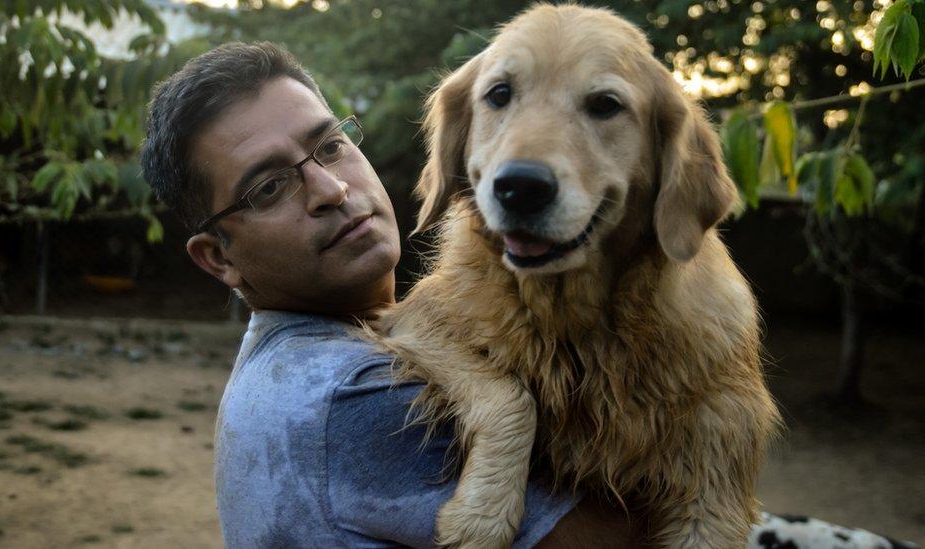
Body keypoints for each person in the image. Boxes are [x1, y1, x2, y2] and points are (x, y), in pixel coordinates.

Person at [139, 42, 648, 548]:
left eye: (331, 146)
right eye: (270, 187)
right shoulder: (353, 395)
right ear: (219, 258)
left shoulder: (294, 362)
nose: (332, 189)